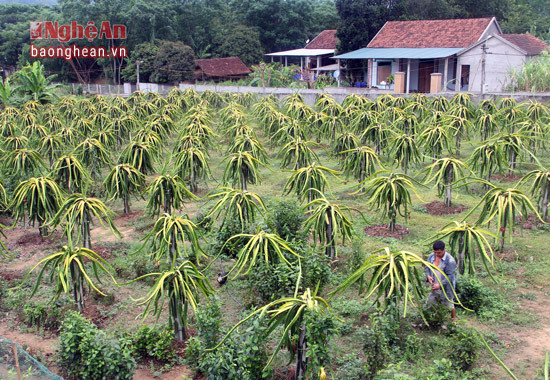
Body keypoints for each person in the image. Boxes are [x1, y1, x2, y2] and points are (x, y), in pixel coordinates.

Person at [425, 240, 457, 322]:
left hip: (446, 287)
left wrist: (440, 285)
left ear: (444, 250)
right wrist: (428, 276)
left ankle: (453, 321)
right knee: (430, 302)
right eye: (435, 252)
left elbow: (450, 277)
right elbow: (427, 267)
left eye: (439, 253)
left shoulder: (450, 261)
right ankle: (428, 319)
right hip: (434, 285)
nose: (437, 254)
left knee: (449, 304)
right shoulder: (431, 257)